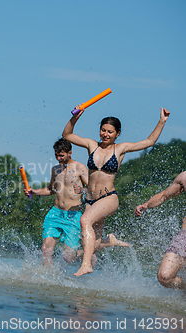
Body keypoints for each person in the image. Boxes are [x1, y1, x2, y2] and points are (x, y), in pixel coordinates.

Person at [62, 106, 170, 276]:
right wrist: (76, 117)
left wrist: (162, 121)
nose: (105, 134)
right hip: (90, 200)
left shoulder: (120, 149)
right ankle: (109, 241)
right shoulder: (92, 146)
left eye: (110, 132)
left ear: (117, 133)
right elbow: (67, 135)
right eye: (103, 130)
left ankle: (85, 265)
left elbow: (149, 142)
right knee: (92, 244)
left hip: (108, 198)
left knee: (84, 221)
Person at [26, 138, 128, 266]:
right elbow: (51, 190)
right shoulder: (55, 170)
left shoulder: (80, 168)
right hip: (55, 214)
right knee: (45, 249)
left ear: (70, 153)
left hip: (73, 216)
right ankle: (48, 278)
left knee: (69, 257)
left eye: (61, 155)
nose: (59, 158)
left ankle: (103, 244)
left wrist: (82, 190)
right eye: (56, 155)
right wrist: (33, 192)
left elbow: (93, 190)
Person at [134, 171, 186, 290]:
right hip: (184, 237)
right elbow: (164, 195)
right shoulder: (184, 177)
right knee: (164, 277)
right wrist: (147, 204)